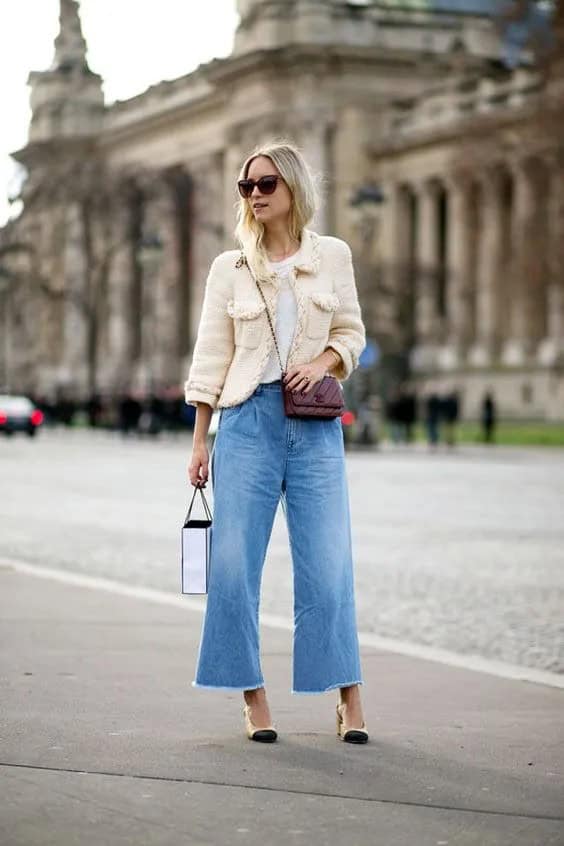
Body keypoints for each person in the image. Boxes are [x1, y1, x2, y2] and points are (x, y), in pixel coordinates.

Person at [184, 141, 368, 745]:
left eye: (265, 184)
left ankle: (348, 696)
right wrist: (199, 442)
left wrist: (323, 360)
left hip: (313, 427)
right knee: (234, 567)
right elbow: (212, 356)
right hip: (245, 424)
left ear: (292, 188)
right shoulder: (228, 268)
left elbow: (351, 334)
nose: (254, 195)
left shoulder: (333, 255)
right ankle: (252, 697)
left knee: (329, 564)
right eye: (246, 187)